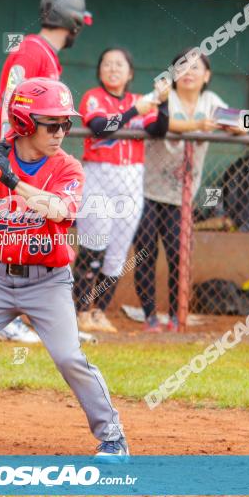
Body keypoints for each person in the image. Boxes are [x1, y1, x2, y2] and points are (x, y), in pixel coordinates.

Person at [0, 78, 128, 459]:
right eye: (53, 124)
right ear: (25, 122)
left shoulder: (68, 167)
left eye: (66, 124)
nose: (62, 132)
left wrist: (14, 182)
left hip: (47, 281)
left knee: (69, 358)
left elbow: (61, 210)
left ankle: (113, 437)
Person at [0, 0, 92, 344]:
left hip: (18, 154)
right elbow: (12, 100)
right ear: (72, 22)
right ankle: (1, 318)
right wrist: (5, 152)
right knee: (8, 227)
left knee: (24, 227)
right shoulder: (33, 51)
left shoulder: (42, 52)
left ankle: (24, 318)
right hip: (10, 154)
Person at [134, 49, 243, 331]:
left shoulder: (210, 102)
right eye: (183, 67)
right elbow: (145, 117)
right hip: (145, 190)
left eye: (196, 68)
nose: (189, 72)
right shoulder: (162, 96)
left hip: (181, 197)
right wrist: (195, 125)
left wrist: (229, 125)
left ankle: (174, 315)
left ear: (207, 76)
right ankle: (149, 317)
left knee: (179, 256)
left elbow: (241, 123)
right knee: (145, 253)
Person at [72, 47, 168, 334]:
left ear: (130, 73)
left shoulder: (140, 100)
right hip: (99, 176)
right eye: (107, 64)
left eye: (119, 65)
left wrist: (162, 103)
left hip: (131, 178)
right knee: (93, 247)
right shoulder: (93, 97)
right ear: (99, 70)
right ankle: (78, 311)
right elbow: (101, 127)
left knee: (116, 253)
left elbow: (159, 130)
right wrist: (132, 113)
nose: (113, 69)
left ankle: (99, 312)